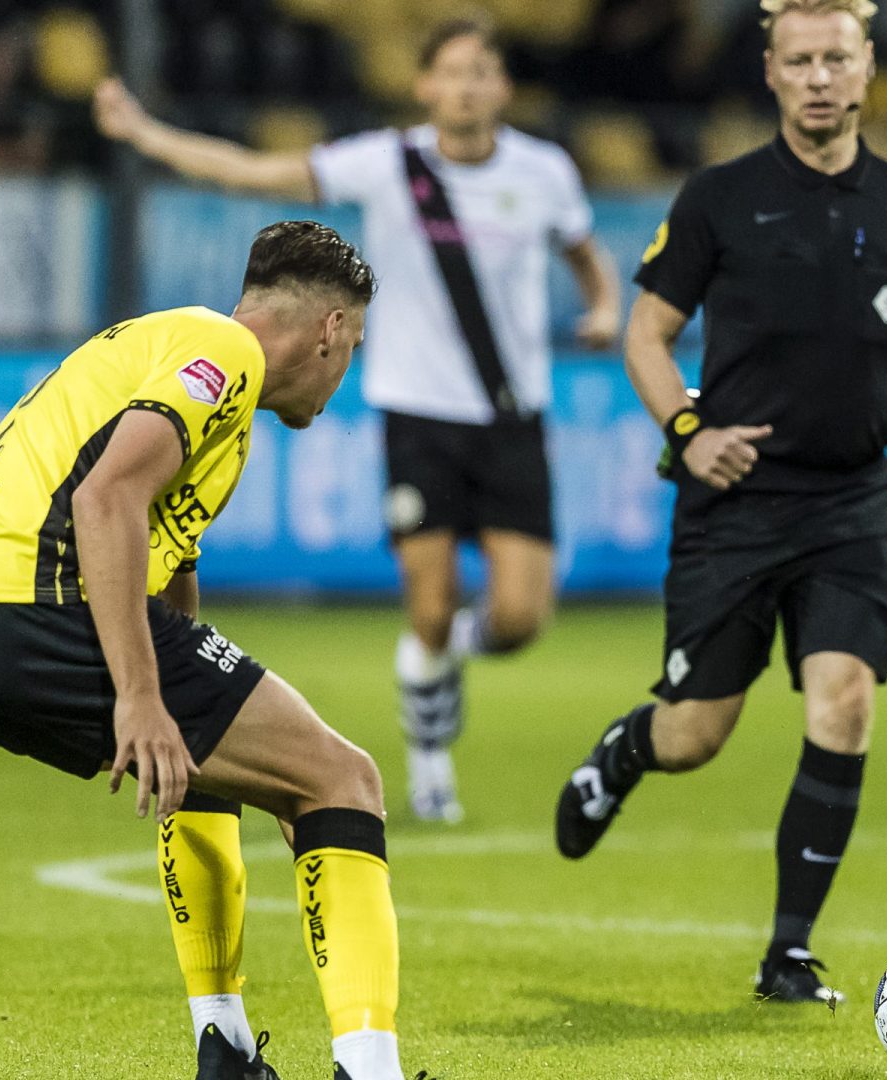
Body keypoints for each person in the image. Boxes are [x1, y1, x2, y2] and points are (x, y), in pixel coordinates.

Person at [0, 222, 431, 1080]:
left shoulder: (168, 355)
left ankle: (221, 1047)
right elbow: (107, 496)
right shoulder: (220, 352)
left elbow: (166, 588)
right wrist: (141, 698)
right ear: (331, 329)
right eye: (355, 347)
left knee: (204, 765)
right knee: (346, 781)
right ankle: (370, 1072)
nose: (348, 373)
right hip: (35, 593)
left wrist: (186, 707)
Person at [93, 17, 623, 823]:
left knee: (518, 618)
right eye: (453, 72)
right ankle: (431, 760)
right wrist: (145, 134)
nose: (469, 87)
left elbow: (587, 255)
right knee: (430, 603)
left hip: (513, 414)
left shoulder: (544, 172)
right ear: (426, 87)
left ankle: (437, 667)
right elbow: (254, 170)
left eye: (484, 72)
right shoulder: (388, 163)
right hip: (417, 411)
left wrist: (605, 305)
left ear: (503, 88)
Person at [551, 0, 887, 1005]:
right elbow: (645, 336)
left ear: (867, 69)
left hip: (853, 503)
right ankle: (626, 749)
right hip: (734, 505)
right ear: (772, 75)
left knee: (847, 702)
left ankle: (789, 952)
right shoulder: (719, 198)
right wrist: (688, 436)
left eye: (837, 58)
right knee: (697, 733)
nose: (820, 76)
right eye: (800, 60)